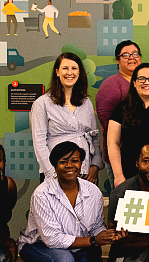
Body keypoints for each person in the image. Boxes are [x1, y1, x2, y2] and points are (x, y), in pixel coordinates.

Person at [18, 142, 121, 262]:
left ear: (82, 164)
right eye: (63, 161)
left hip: (77, 251)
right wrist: (93, 241)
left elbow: (96, 226)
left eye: (74, 161)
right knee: (63, 261)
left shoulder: (93, 192)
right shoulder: (42, 194)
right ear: (54, 165)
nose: (70, 166)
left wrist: (107, 234)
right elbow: (52, 240)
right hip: (38, 247)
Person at [30, 52, 102, 183]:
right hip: (56, 172)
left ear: (79, 73)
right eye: (65, 68)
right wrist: (52, 173)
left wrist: (95, 165)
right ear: (57, 72)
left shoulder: (86, 103)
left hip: (84, 171)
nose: (70, 73)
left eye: (74, 68)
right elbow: (39, 143)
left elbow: (94, 137)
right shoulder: (42, 103)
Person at [95, 41, 144, 165]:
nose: (132, 57)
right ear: (117, 60)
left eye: (135, 54)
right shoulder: (110, 84)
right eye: (126, 55)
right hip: (121, 152)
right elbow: (105, 119)